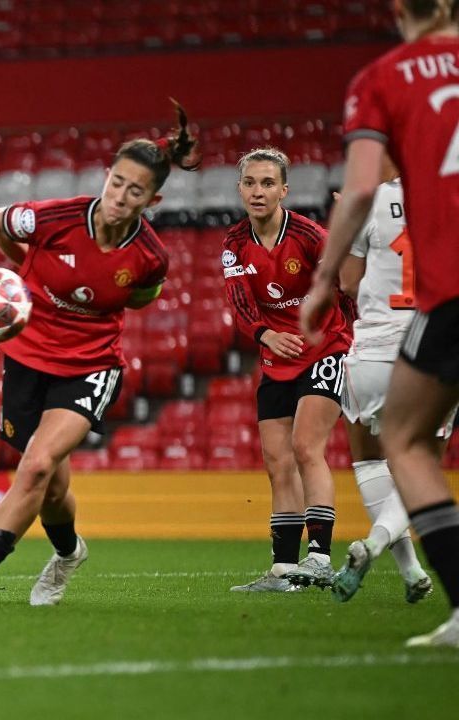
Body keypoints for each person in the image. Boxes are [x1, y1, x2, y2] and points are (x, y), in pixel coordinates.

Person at [0, 102, 199, 610]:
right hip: (26, 357)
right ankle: (68, 553)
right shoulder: (55, 217)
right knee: (52, 487)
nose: (121, 197)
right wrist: (26, 273)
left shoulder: (150, 257)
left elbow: (139, 300)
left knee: (37, 466)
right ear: (106, 175)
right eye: (118, 183)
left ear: (154, 199)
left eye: (136, 191)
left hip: (89, 367)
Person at [301, 0, 459, 647]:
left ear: (400, 8)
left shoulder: (382, 78)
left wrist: (321, 278)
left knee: (406, 440)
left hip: (438, 304)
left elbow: (361, 187)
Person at [221, 148, 352, 593]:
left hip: (325, 351)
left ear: (284, 190)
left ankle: (319, 559)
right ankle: (283, 569)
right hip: (276, 359)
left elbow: (344, 290)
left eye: (267, 183)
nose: (258, 191)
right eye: (251, 183)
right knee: (277, 463)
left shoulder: (311, 236)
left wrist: (351, 341)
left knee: (305, 447)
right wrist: (264, 336)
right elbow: (240, 302)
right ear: (240, 189)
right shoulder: (234, 243)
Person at [331, 158, 451, 604]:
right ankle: (376, 543)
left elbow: (347, 282)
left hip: (372, 353)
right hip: (429, 352)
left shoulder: (371, 200)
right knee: (421, 467)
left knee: (369, 461)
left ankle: (412, 572)